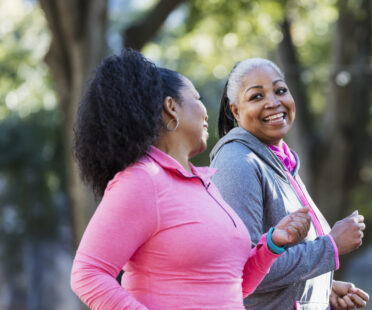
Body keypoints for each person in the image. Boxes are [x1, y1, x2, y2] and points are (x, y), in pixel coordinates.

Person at [70, 50, 312, 310]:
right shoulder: (142, 180)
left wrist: (273, 244)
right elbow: (88, 275)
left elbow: (232, 284)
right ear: (171, 107)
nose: (206, 113)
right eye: (196, 99)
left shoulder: (204, 184)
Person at [210, 58, 370, 310]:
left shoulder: (279, 161)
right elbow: (243, 269)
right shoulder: (238, 162)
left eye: (280, 90)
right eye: (256, 96)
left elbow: (280, 262)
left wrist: (319, 288)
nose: (273, 102)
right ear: (235, 111)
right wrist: (331, 247)